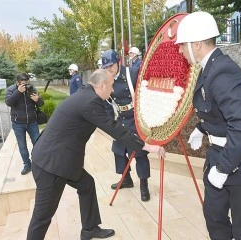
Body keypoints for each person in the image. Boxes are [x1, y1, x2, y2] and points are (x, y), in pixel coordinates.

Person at [27, 69, 166, 240]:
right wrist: (148, 147)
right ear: (101, 85)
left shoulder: (87, 94)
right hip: (52, 165)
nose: (113, 90)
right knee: (42, 217)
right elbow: (117, 131)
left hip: (62, 160)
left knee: (87, 184)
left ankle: (89, 229)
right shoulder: (90, 101)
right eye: (111, 85)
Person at [175, 12, 241, 240]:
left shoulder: (222, 72)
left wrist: (224, 168)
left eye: (182, 45)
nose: (180, 51)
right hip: (221, 154)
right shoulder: (210, 67)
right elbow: (217, 108)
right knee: (214, 218)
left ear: (197, 44)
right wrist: (202, 128)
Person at [101, 49, 151, 202]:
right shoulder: (106, 79)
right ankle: (126, 179)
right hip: (120, 119)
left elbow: (146, 92)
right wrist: (110, 124)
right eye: (106, 67)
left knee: (140, 153)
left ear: (118, 62)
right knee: (118, 151)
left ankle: (144, 185)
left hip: (135, 118)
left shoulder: (132, 73)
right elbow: (107, 103)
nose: (109, 69)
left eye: (111, 65)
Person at [5, 73, 44, 175]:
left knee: (37, 143)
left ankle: (37, 163)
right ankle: (27, 165)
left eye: (27, 83)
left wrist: (38, 100)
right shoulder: (11, 89)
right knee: (22, 145)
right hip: (18, 123)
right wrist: (18, 92)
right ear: (18, 83)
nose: (26, 86)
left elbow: (41, 104)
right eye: (23, 84)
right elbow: (8, 102)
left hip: (32, 122)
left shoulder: (31, 89)